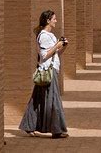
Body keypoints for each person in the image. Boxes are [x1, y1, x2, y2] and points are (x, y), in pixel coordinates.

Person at [19, 10, 69, 139]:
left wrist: (63, 46)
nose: (56, 21)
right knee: (54, 100)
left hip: (51, 69)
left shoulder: (51, 35)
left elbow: (56, 55)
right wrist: (57, 45)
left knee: (37, 99)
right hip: (47, 70)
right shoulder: (43, 36)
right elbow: (44, 55)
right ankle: (57, 129)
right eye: (54, 19)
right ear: (48, 20)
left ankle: (28, 125)